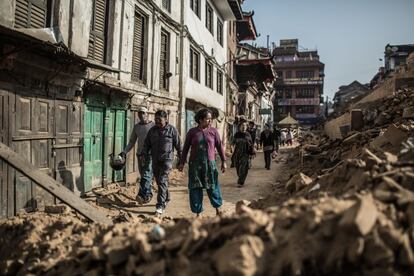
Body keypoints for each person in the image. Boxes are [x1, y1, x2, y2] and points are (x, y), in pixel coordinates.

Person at [178, 109, 226, 217]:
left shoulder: (213, 131)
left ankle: (218, 209)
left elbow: (219, 146)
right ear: (200, 120)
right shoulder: (192, 132)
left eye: (210, 119)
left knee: (213, 186)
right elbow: (185, 148)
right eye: (207, 119)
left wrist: (224, 161)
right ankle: (198, 213)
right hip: (195, 165)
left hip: (210, 165)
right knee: (195, 188)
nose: (210, 121)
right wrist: (181, 162)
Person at [142, 110, 181, 216]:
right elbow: (146, 144)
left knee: (162, 180)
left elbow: (179, 146)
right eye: (156, 120)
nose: (157, 122)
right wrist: (144, 155)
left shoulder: (172, 130)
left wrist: (181, 161)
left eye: (159, 119)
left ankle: (160, 206)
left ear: (166, 119)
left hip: (167, 160)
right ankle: (167, 197)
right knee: (159, 182)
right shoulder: (152, 131)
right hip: (155, 160)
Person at [121, 106, 155, 204]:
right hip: (140, 154)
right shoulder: (137, 127)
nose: (141, 115)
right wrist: (124, 152)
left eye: (143, 113)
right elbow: (132, 141)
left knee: (146, 175)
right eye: (140, 113)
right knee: (144, 175)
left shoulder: (153, 126)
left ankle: (141, 195)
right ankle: (148, 194)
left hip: (150, 154)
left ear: (147, 114)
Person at [232, 120, 255, 187]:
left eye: (245, 126)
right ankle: (241, 177)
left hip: (245, 154)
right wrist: (232, 148)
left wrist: (252, 152)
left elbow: (251, 144)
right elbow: (233, 143)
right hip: (237, 154)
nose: (244, 127)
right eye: (242, 126)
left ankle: (240, 182)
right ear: (239, 127)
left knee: (243, 168)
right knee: (238, 168)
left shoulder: (248, 134)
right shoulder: (237, 134)